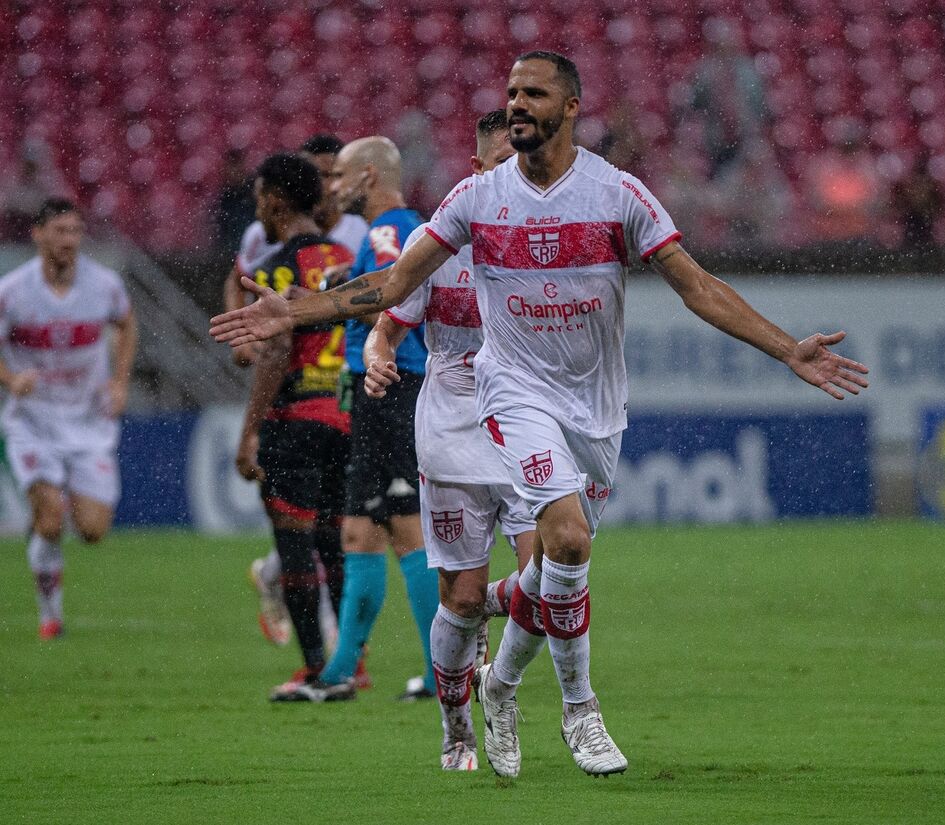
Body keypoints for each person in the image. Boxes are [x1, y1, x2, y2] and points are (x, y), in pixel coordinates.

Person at [210, 51, 869, 776]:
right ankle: (579, 711)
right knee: (568, 541)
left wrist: (787, 350)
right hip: (509, 394)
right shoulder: (476, 198)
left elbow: (697, 285)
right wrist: (297, 311)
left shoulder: (618, 195)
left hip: (594, 409)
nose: (518, 104)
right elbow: (392, 284)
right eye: (512, 93)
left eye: (534, 94)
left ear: (572, 107)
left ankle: (499, 679)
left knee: (553, 562)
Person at [352, 110, 537, 771]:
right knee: (459, 598)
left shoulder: (543, 239)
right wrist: (376, 352)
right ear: (475, 171)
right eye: (496, 168)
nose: (508, 183)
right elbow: (388, 320)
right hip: (453, 426)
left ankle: (501, 684)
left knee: (547, 580)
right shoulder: (437, 246)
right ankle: (457, 726)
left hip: (524, 423)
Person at [301, 136, 439, 703]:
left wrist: (333, 291)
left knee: (406, 527)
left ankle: (441, 673)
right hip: (377, 391)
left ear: (368, 177)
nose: (331, 188)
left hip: (392, 387)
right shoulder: (403, 229)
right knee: (359, 529)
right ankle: (339, 673)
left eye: (339, 176)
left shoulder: (388, 230)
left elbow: (388, 289)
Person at [230, 136, 369, 651]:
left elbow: (274, 351)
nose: (258, 209)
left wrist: (249, 429)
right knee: (337, 544)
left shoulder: (277, 271)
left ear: (275, 200)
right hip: (350, 415)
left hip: (297, 419)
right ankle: (350, 661)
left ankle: (314, 665)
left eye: (260, 198)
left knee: (293, 543)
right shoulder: (351, 259)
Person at [0, 198, 136, 639]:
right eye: (59, 231)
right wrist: (9, 378)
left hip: (88, 422)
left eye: (76, 231)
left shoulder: (104, 285)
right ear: (37, 234)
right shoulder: (13, 291)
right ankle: (49, 613)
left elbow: (127, 324)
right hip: (31, 421)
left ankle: (42, 531)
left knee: (94, 530)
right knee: (52, 519)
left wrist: (119, 382)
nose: (69, 241)